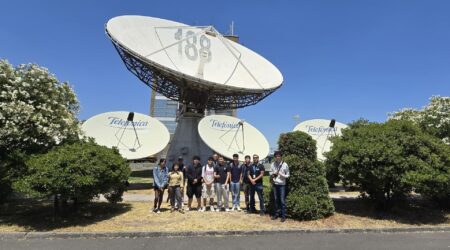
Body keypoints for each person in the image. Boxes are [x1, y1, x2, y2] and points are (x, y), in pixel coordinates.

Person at [270, 151, 290, 222]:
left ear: (281, 157)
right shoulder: (273, 164)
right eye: (276, 156)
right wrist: (273, 174)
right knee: (276, 200)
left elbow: (288, 175)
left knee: (282, 201)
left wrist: (282, 175)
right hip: (275, 184)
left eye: (279, 156)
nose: (277, 157)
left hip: (282, 185)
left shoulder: (285, 165)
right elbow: (270, 172)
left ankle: (283, 216)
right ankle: (276, 214)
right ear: (275, 157)